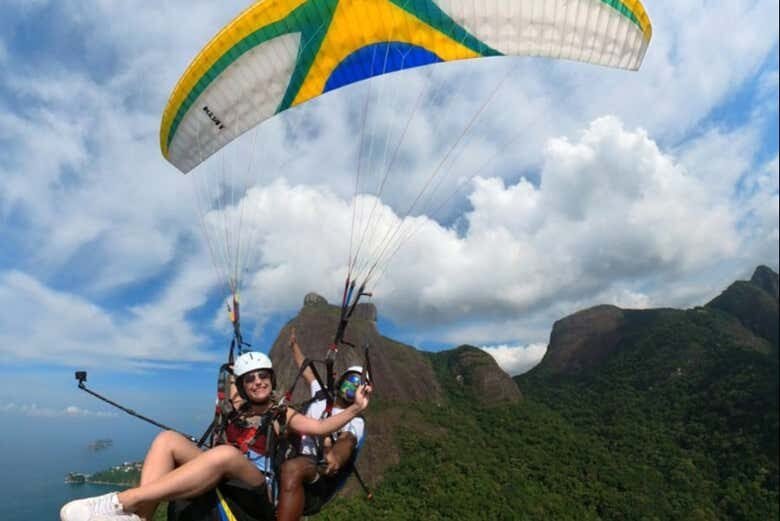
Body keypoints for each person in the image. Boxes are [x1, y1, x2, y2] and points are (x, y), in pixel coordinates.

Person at [60, 351, 372, 521]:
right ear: (243, 385)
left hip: (258, 487)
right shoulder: (235, 411)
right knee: (168, 439)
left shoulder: (282, 413)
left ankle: (120, 502)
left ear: (272, 380)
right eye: (250, 379)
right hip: (225, 474)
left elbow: (319, 428)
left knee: (226, 455)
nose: (258, 383)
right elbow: (229, 386)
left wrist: (355, 409)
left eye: (264, 377)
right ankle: (138, 519)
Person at [275, 329, 367, 521]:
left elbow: (347, 441)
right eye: (350, 381)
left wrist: (333, 458)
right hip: (291, 451)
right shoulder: (322, 394)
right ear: (341, 381)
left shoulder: (354, 420)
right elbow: (306, 370)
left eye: (357, 386)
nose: (351, 388)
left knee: (293, 468)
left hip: (313, 472)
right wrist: (294, 346)